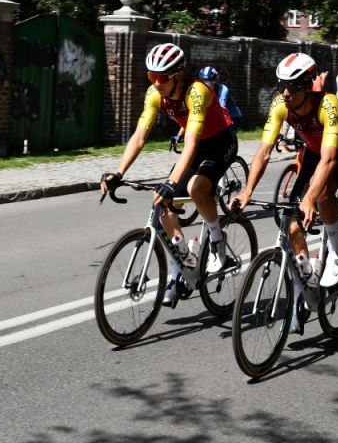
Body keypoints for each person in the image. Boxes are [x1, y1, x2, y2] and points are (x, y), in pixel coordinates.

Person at [99, 43, 239, 308]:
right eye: (151, 76)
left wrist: (173, 182)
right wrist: (118, 173)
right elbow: (140, 136)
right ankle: (181, 268)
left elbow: (192, 144)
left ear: (177, 75)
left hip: (220, 142)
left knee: (197, 188)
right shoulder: (155, 94)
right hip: (196, 146)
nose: (155, 82)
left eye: (161, 77)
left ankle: (218, 242)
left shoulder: (196, 92)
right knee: (160, 200)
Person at [233, 53, 338, 334]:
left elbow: (329, 161)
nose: (286, 92)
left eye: (292, 86)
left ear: (307, 86)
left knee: (324, 191)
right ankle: (305, 278)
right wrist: (247, 190)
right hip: (314, 153)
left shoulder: (328, 104)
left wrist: (309, 198)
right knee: (290, 221)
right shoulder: (281, 104)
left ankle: (337, 252)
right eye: (281, 85)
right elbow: (264, 151)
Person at [197, 66, 243, 131]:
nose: (206, 85)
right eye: (203, 82)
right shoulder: (201, 90)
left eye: (209, 82)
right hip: (219, 117)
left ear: (215, 81)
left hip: (233, 118)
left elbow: (221, 109)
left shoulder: (223, 89)